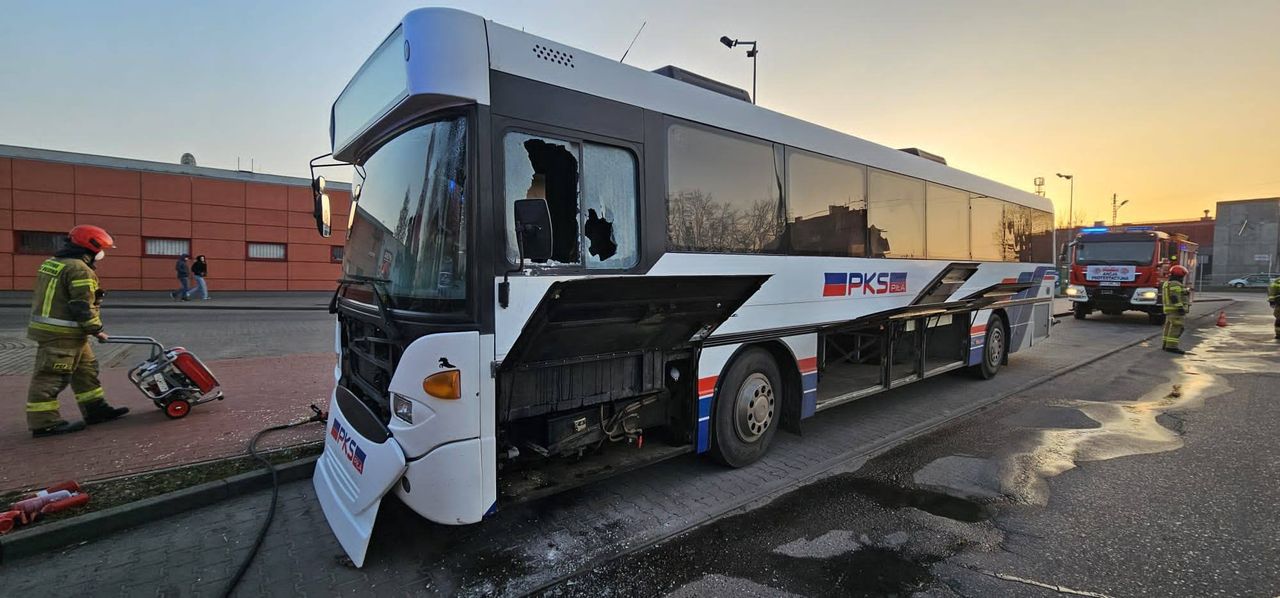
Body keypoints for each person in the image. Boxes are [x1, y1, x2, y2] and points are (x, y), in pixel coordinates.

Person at [26, 225, 130, 437]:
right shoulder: (80, 269)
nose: (102, 255)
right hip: (61, 333)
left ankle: (95, 409)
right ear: (90, 248)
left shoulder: (52, 263)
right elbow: (80, 305)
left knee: (86, 371)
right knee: (51, 376)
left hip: (69, 333)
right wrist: (97, 330)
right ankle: (44, 423)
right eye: (102, 249)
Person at [1161, 265, 1191, 354]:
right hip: (1175, 310)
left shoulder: (1167, 283)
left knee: (1168, 327)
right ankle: (1172, 347)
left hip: (1169, 310)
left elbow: (1175, 293)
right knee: (1176, 328)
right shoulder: (1175, 284)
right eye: (1183, 276)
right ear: (1180, 275)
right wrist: (1180, 308)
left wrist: (1185, 291)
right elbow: (1174, 297)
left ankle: (1166, 344)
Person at [1268, 274, 1280, 340]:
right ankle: (1278, 334)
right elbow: (1272, 292)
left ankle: (1278, 334)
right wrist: (1271, 301)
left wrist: (1271, 301)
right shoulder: (1277, 281)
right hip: (1279, 303)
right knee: (1279, 318)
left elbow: (1271, 292)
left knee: (1279, 318)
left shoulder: (1276, 281)